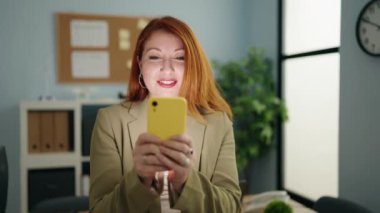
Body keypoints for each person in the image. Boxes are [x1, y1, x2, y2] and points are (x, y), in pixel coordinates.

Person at [89, 16, 241, 212]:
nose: (167, 68)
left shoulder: (219, 123)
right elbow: (99, 209)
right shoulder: (109, 121)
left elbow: (232, 207)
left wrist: (185, 181)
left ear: (192, 65)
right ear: (140, 64)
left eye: (180, 57)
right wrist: (140, 180)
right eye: (154, 57)